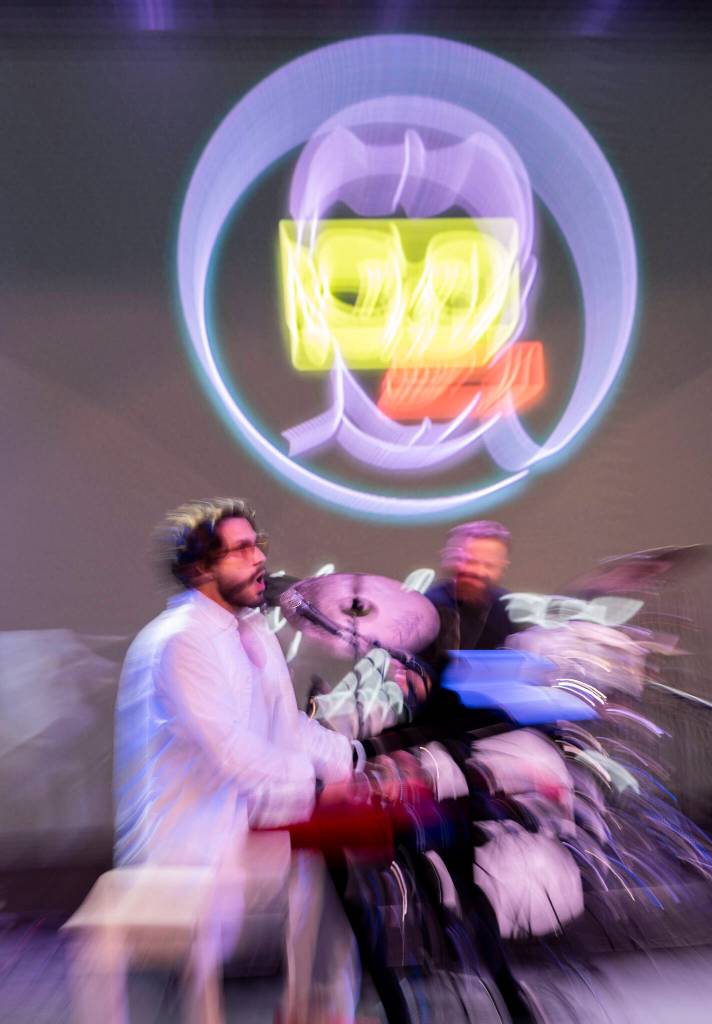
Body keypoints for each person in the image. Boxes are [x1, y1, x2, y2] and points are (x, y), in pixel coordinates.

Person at [114, 498, 359, 1022]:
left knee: (345, 864)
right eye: (241, 549)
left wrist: (350, 762)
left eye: (257, 545)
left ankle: (311, 1008)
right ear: (200, 568)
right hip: (191, 835)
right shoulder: (180, 642)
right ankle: (312, 1008)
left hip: (245, 816)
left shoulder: (252, 630)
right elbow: (231, 754)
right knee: (333, 867)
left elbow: (285, 725)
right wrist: (316, 788)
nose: (259, 559)